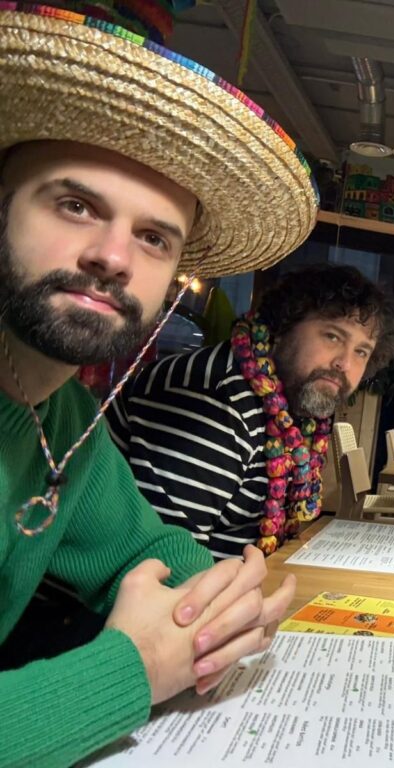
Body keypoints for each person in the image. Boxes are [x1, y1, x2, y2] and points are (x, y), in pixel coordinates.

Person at [0, 3, 320, 765]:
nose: (114, 257)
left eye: (152, 237)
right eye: (76, 205)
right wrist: (135, 670)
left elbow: (148, 548)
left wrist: (227, 602)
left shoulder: (63, 414)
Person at [107, 265, 394, 558]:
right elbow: (163, 566)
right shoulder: (213, 399)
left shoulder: (289, 405)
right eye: (333, 336)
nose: (345, 363)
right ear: (283, 327)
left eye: (361, 351)